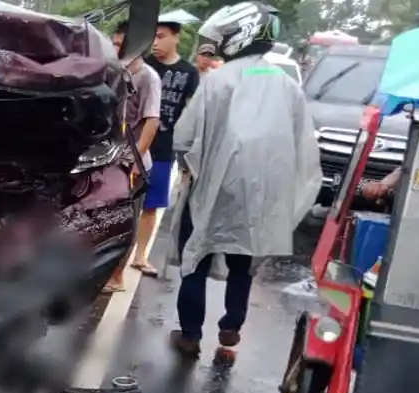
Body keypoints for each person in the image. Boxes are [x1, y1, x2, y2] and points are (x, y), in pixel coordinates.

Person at [164, 2, 322, 358]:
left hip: (213, 189)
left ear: (237, 36)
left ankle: (190, 335)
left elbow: (184, 138)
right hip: (263, 195)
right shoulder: (287, 86)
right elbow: (302, 146)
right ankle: (230, 328)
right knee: (243, 266)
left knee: (197, 259)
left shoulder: (218, 80)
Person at [138, 19, 201, 278]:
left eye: (161, 36)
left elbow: (191, 112)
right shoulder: (142, 65)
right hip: (135, 142)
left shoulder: (188, 72)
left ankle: (140, 255)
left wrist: (190, 154)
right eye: (152, 37)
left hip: (164, 147)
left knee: (151, 204)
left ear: (176, 37)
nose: (155, 42)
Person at [104, 21, 163, 294]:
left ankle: (117, 276)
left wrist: (135, 160)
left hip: (132, 163)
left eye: (120, 45)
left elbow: (151, 122)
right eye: (114, 44)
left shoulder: (148, 77)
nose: (115, 49)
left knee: (126, 221)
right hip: (109, 158)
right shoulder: (112, 72)